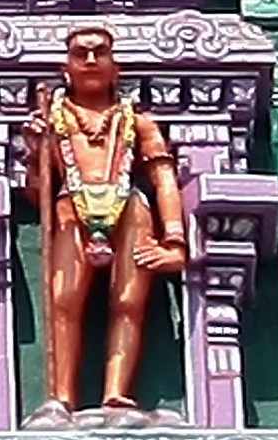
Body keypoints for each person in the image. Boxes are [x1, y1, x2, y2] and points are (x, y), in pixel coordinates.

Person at [22, 26, 187, 430]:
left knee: (129, 303)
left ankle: (117, 392)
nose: (91, 61)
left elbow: (163, 178)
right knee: (63, 300)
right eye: (81, 54)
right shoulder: (54, 120)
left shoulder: (136, 122)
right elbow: (37, 193)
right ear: (66, 68)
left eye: (100, 53)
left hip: (129, 207)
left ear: (117, 67)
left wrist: (175, 241)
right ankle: (61, 396)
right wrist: (33, 152)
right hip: (70, 210)